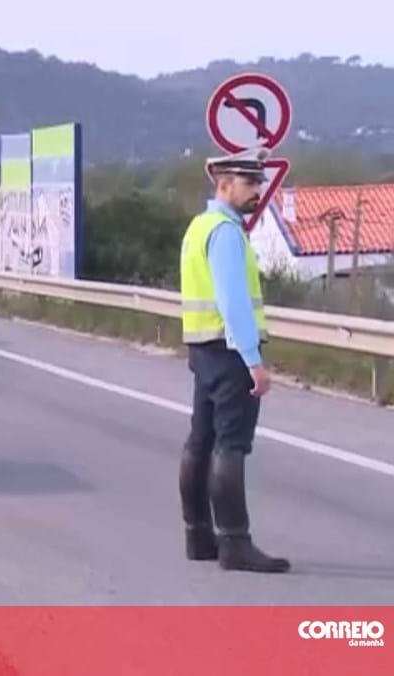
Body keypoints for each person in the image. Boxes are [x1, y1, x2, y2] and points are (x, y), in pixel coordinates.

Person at [178, 147, 291, 573]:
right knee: (231, 445)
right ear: (223, 183)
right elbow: (233, 302)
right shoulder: (225, 231)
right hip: (228, 352)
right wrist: (253, 361)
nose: (257, 192)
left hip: (203, 350)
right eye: (249, 183)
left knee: (200, 442)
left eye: (259, 183)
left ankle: (198, 536)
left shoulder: (198, 227)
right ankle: (235, 543)